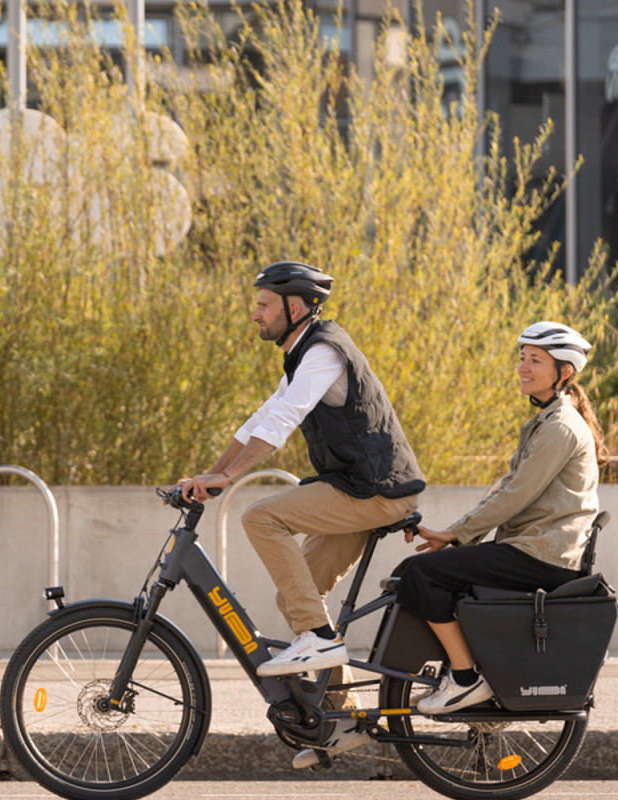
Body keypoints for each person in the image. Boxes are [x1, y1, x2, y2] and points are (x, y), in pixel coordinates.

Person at [174, 260, 425, 765]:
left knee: (261, 518)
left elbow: (284, 421)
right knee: (297, 599)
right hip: (359, 489)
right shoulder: (301, 355)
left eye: (263, 305)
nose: (255, 314)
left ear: (295, 307)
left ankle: (317, 638)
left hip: (375, 491)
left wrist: (229, 479)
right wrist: (213, 474)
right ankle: (345, 719)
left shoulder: (325, 352)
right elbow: (260, 419)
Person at [395, 321, 608, 716]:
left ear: (564, 373)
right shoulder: (546, 422)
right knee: (413, 570)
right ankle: (463, 668)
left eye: (536, 361)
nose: (523, 368)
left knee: (421, 574)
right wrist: (457, 536)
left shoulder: (560, 428)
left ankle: (464, 678)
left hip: (541, 556)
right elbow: (506, 488)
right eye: (522, 358)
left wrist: (457, 534)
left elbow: (514, 496)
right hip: (532, 549)